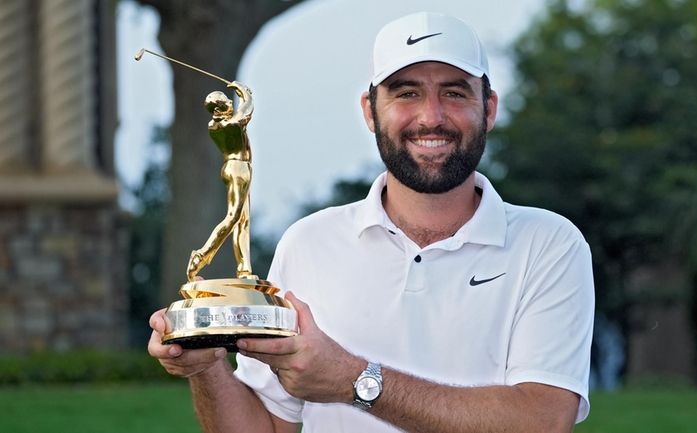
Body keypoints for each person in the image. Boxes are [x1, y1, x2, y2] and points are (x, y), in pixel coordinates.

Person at [148, 11, 595, 433]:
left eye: (455, 93)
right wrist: (207, 368)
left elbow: (543, 419)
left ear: (489, 108)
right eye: (406, 93)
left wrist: (354, 381)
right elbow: (265, 426)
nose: (432, 117)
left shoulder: (549, 244)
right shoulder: (309, 242)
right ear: (369, 110)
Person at [186, 81, 255, 281]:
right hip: (239, 169)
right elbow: (247, 110)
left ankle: (244, 269)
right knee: (233, 218)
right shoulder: (230, 124)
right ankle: (201, 256)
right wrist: (244, 93)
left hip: (235, 168)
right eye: (225, 101)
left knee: (243, 221)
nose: (229, 103)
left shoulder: (213, 125)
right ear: (217, 109)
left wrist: (242, 95)